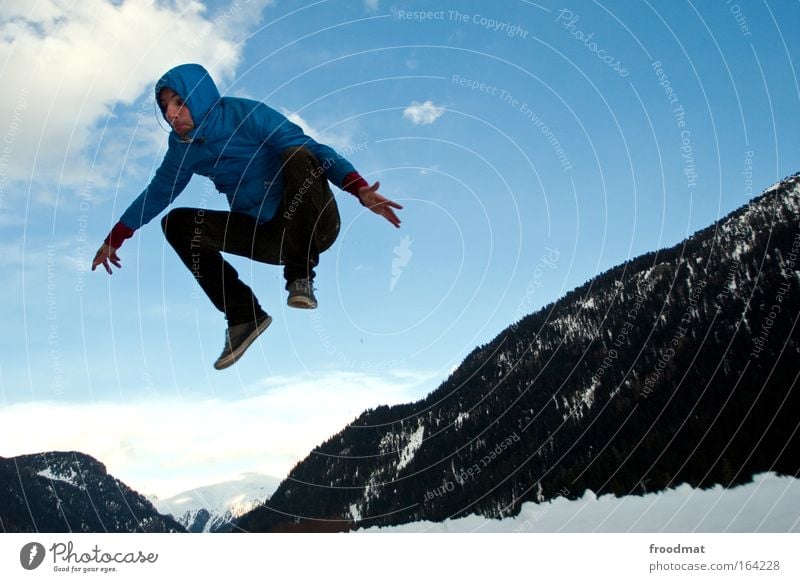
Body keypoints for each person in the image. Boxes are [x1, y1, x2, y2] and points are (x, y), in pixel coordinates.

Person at [92, 63, 402, 370]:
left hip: (313, 224)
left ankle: (300, 276)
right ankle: (243, 316)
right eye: (165, 108)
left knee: (297, 155)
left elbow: (315, 151)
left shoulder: (245, 115)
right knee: (177, 224)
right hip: (264, 234)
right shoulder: (182, 149)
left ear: (198, 99)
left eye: (180, 103)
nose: (172, 115)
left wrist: (359, 188)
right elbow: (159, 192)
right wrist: (115, 238)